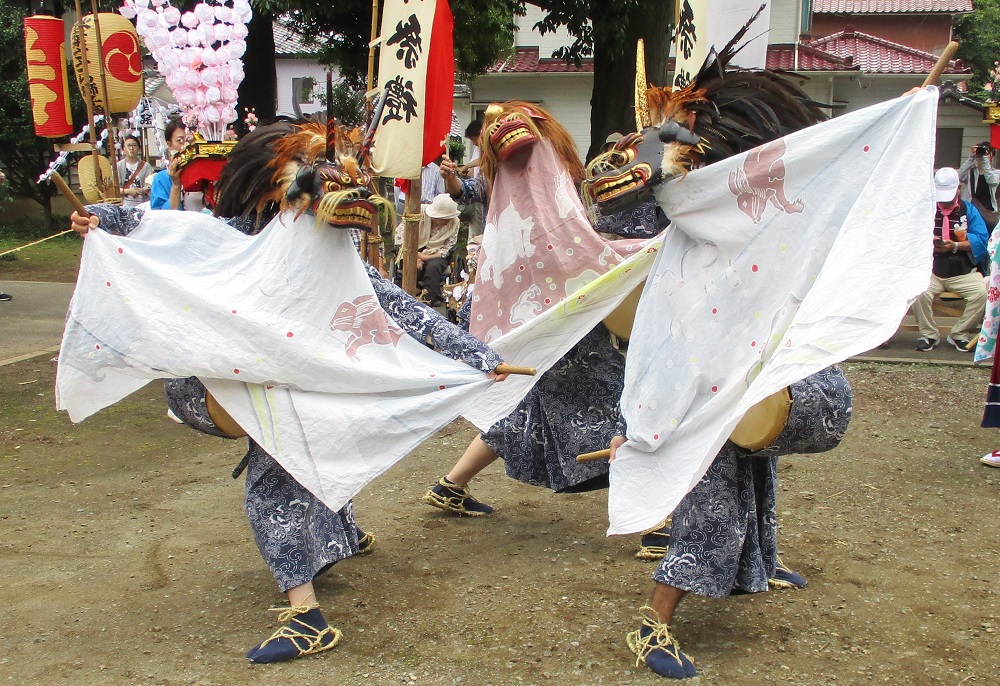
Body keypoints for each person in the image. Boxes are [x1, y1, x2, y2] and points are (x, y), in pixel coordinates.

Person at [69, 120, 508, 664]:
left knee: (281, 482)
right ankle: (326, 563)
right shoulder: (234, 238)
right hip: (241, 382)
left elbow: (399, 306)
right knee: (289, 473)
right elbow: (169, 231)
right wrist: (105, 218)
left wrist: (478, 356)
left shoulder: (334, 256)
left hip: (296, 387)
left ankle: (308, 616)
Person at [611, 366, 853, 679]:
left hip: (745, 399)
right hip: (698, 412)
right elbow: (659, 350)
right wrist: (626, 425)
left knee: (755, 493)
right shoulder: (685, 315)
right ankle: (652, 629)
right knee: (707, 522)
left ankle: (754, 567)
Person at [910, 167, 989, 352]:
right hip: (931, 270)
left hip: (963, 271)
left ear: (959, 189)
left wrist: (955, 245)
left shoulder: (969, 210)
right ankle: (928, 334)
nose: (944, 203)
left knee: (981, 293)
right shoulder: (926, 210)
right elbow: (912, 236)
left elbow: (982, 239)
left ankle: (959, 334)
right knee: (917, 291)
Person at [395, 193, 460, 306]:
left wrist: (425, 257)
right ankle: (406, 296)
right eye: (446, 218)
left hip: (436, 253)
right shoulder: (418, 212)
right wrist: (415, 257)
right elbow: (400, 236)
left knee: (433, 267)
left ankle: (428, 300)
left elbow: (448, 247)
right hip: (410, 248)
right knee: (411, 265)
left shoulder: (455, 222)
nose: (448, 221)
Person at [149, 119, 187, 210]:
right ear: (169, 145)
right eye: (180, 141)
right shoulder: (161, 179)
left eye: (189, 140)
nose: (186, 145)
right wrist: (176, 185)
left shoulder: (202, 174)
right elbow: (161, 215)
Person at [959, 142, 1000, 214]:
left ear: (992, 156)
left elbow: (992, 181)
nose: (982, 155)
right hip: (970, 210)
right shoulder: (971, 171)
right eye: (980, 152)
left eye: (985, 153)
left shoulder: (996, 173)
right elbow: (958, 176)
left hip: (988, 212)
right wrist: (971, 158)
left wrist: (984, 160)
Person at [117, 135, 154, 209]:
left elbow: (151, 185)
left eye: (134, 145)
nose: (131, 148)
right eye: (128, 146)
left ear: (138, 148)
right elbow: (114, 189)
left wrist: (141, 190)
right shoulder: (118, 166)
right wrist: (127, 191)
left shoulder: (146, 166)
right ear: (123, 149)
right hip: (123, 204)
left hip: (143, 204)